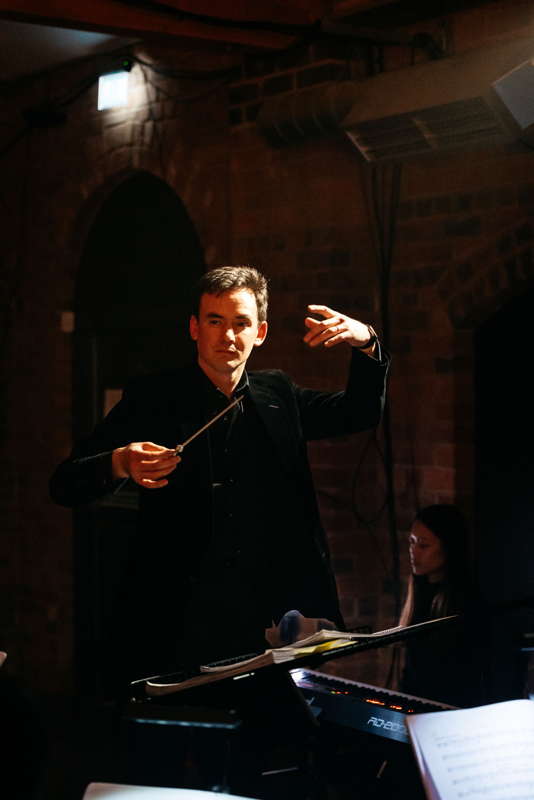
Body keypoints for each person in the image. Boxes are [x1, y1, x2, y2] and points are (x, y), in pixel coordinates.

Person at [50, 265, 389, 677]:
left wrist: (367, 343)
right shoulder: (152, 398)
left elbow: (359, 413)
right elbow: (65, 484)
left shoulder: (278, 393)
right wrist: (120, 461)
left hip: (269, 619)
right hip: (179, 618)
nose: (228, 336)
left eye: (241, 323)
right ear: (194, 328)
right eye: (215, 321)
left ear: (259, 333)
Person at [398, 504, 488, 707]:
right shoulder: (420, 594)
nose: (413, 552)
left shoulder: (466, 601)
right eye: (411, 543)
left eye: (423, 545)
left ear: (448, 547)